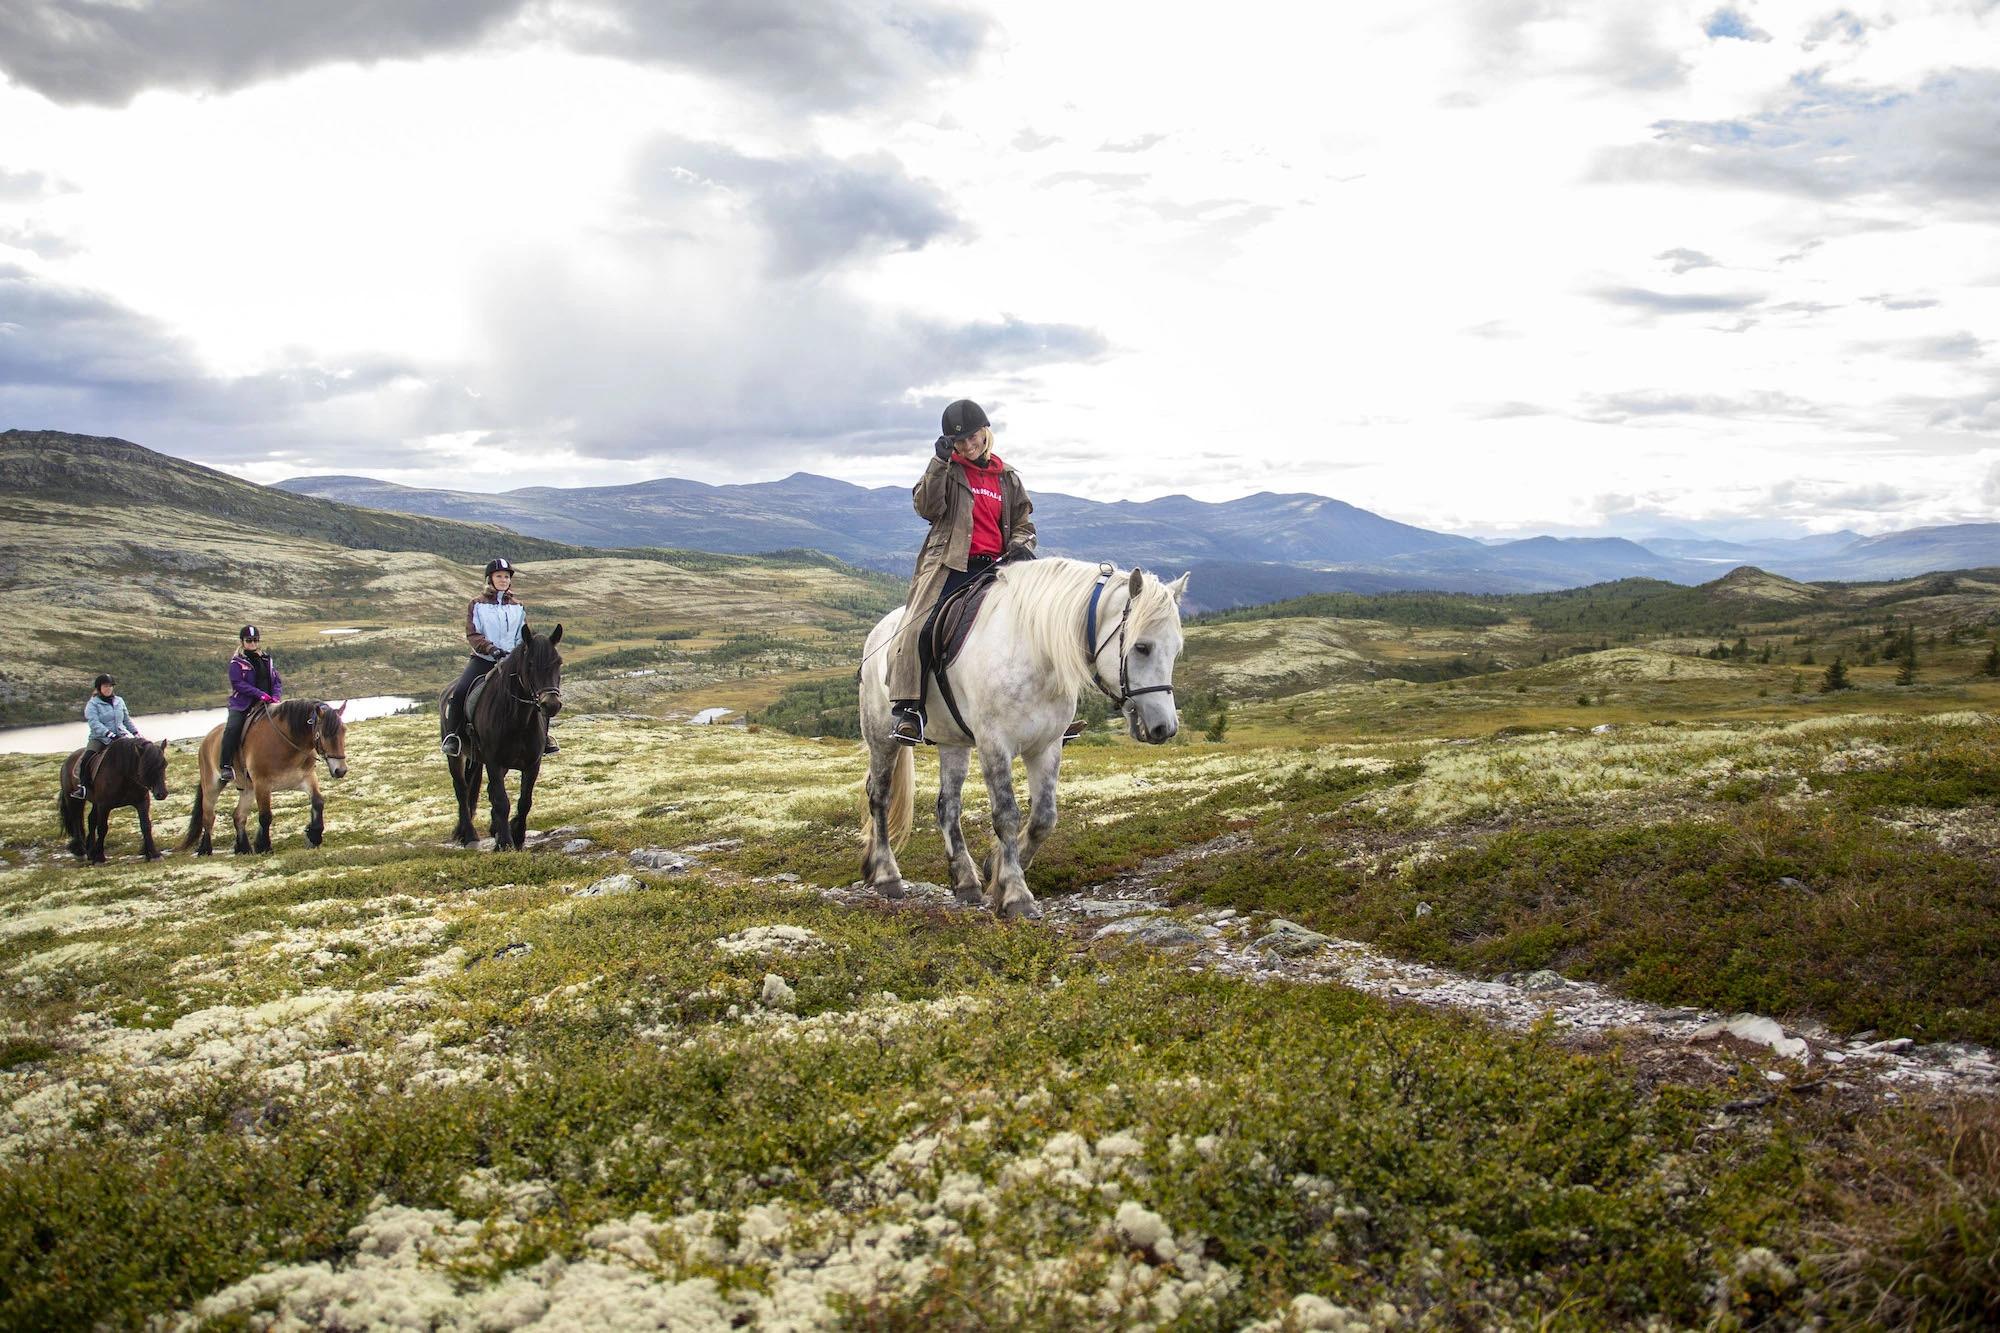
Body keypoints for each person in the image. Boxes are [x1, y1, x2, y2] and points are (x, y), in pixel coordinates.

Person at [886, 399, 1038, 744]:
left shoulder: (1007, 476)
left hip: (999, 568)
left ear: (985, 433)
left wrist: (1019, 544)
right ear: (949, 444)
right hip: (950, 567)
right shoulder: (948, 470)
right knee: (918, 628)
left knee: (1042, 625)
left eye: (973, 438)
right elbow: (926, 507)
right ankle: (909, 709)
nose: (968, 446)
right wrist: (939, 462)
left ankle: (1048, 714)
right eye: (959, 442)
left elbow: (1024, 524)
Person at [442, 558, 558, 757]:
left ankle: (544, 737)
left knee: (537, 692)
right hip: (483, 659)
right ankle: (454, 737)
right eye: (499, 576)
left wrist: (516, 653)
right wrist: (490, 649)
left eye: (506, 576)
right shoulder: (476, 604)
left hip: (512, 661)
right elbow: (473, 634)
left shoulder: (517, 606)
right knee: (460, 692)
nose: (503, 580)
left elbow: (522, 635)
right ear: (490, 579)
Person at [218, 625, 282, 784]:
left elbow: (276, 680)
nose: (252, 643)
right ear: (242, 642)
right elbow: (238, 684)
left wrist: (275, 696)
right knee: (233, 728)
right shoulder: (237, 662)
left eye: (255, 640)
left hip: (268, 702)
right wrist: (259, 694)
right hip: (243, 704)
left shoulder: (267, 659)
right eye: (249, 640)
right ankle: (225, 764)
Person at [72, 673, 142, 799]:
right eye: (105, 686)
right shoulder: (92, 704)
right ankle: (84, 787)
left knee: (137, 755)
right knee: (87, 758)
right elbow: (94, 723)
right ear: (99, 688)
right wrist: (108, 734)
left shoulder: (119, 701)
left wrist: (136, 733)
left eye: (110, 686)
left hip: (120, 737)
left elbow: (126, 719)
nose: (108, 688)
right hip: (99, 738)